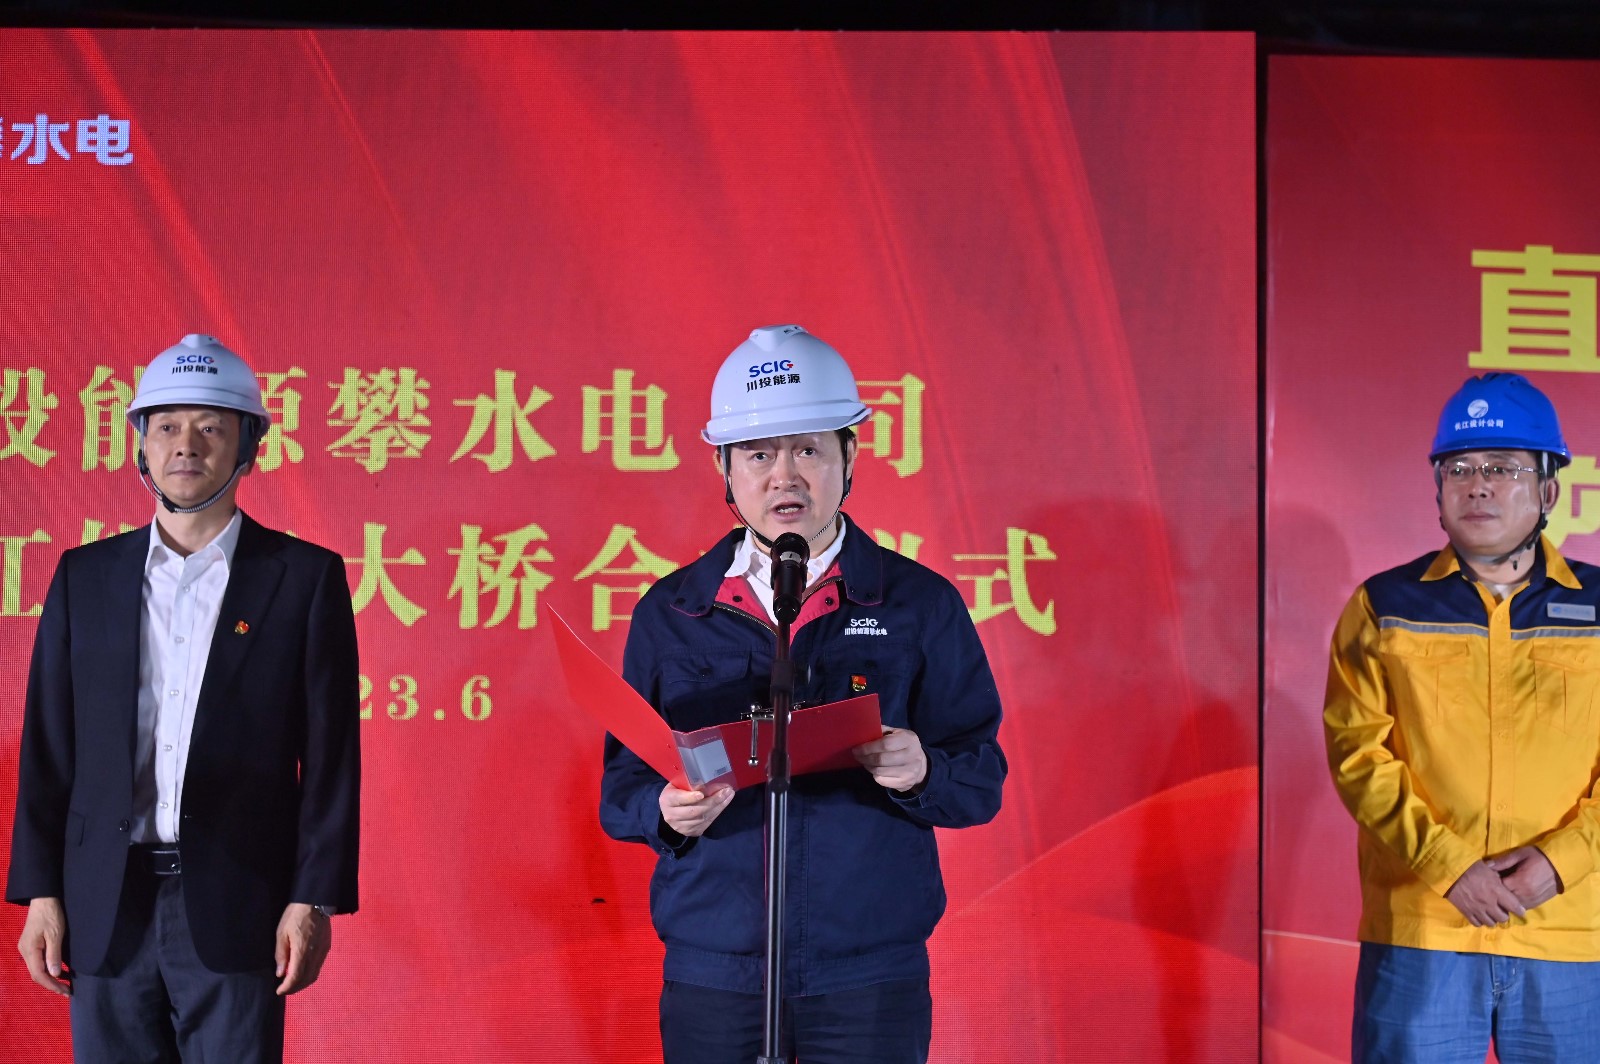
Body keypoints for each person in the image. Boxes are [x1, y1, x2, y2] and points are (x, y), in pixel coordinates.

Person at [600, 324, 1006, 1064]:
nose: (784, 476)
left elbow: (980, 780)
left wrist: (924, 772)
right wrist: (661, 810)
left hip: (866, 975)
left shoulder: (918, 604)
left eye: (808, 450)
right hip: (716, 970)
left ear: (849, 457)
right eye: (759, 454)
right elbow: (622, 786)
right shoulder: (674, 611)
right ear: (724, 467)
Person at [8, 334, 361, 1063]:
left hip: (238, 905)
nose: (186, 445)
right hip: (105, 906)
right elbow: (49, 747)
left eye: (211, 427)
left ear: (249, 445)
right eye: (166, 425)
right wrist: (41, 892)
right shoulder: (85, 577)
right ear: (141, 443)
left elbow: (331, 759)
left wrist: (312, 900)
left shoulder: (302, 579)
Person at [1324, 371, 1600, 1063]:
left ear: (1548, 491)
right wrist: (1448, 867)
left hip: (1572, 932)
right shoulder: (1385, 606)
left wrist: (1561, 863)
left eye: (1503, 467)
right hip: (1423, 929)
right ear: (1438, 489)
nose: (1478, 485)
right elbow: (1358, 755)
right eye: (1460, 468)